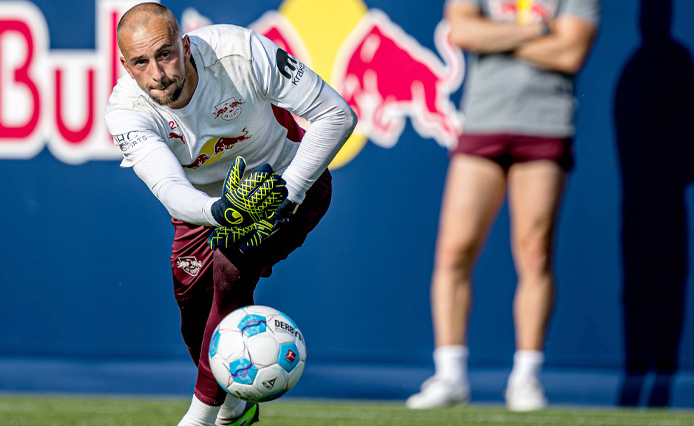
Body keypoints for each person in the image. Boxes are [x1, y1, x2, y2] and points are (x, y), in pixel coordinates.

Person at [104, 4, 356, 426]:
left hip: (289, 179)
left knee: (230, 266)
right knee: (193, 312)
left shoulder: (239, 53)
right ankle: (236, 406)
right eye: (142, 62)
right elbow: (171, 191)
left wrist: (287, 193)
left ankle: (201, 418)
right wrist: (220, 212)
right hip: (207, 207)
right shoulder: (125, 111)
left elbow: (337, 114)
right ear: (127, 67)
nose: (159, 73)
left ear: (185, 46)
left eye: (165, 54)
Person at [405, 0, 600, 412]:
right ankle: (450, 374)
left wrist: (495, 36)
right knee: (454, 249)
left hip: (546, 124)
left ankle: (526, 378)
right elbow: (461, 32)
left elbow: (570, 53)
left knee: (534, 252)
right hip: (482, 122)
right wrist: (539, 32)